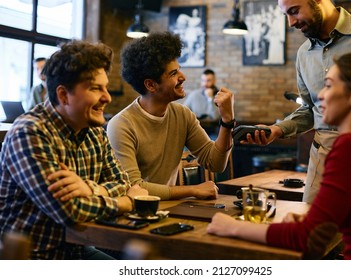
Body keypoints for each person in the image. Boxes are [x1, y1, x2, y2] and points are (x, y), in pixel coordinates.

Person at [208, 52, 351, 260]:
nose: (320, 95)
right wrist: (310, 219)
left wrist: (231, 226)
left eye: (329, 85)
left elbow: (308, 237)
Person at [0, 40, 147, 260]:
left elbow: (123, 182)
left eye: (105, 87)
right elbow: (69, 211)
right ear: (63, 95)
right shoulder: (29, 132)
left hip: (77, 248)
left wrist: (90, 189)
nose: (107, 97)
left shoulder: (95, 131)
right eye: (96, 88)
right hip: (34, 256)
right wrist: (125, 202)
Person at [243, 0, 351, 203]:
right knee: (314, 230)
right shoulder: (304, 54)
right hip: (324, 158)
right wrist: (277, 130)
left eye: (294, 11)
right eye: (286, 15)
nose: (291, 23)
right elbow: (310, 109)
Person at [107, 32, 235, 201]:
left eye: (179, 70)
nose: (183, 77)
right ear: (151, 85)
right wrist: (193, 190)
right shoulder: (121, 125)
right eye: (174, 73)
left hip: (170, 210)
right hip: (135, 215)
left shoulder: (182, 115)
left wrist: (227, 121)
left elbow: (215, 163)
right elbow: (134, 186)